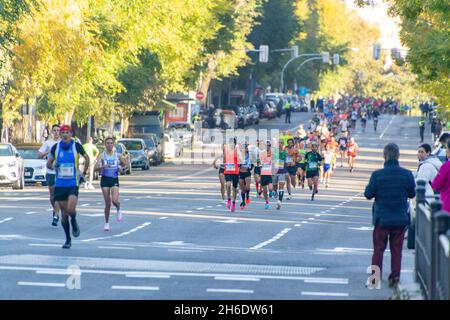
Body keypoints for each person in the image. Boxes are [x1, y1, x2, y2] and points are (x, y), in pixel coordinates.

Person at [364, 143, 416, 288]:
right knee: (397, 250)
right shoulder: (406, 174)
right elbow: (412, 193)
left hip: (382, 218)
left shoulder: (377, 175)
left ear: (384, 156)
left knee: (378, 249)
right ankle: (395, 277)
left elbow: (368, 194)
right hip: (399, 219)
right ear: (398, 156)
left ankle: (375, 278)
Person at [47, 124, 89, 249]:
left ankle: (74, 221)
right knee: (64, 216)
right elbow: (48, 164)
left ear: (71, 134)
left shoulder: (76, 146)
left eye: (67, 132)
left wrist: (83, 172)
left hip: (72, 183)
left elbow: (87, 158)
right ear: (60, 135)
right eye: (63, 133)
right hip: (60, 185)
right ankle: (68, 239)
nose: (65, 135)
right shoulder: (56, 147)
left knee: (70, 210)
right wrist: (54, 165)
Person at [95, 137, 127, 231]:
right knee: (108, 203)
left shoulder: (117, 155)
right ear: (105, 144)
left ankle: (118, 209)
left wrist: (121, 167)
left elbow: (125, 164)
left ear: (113, 144)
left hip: (114, 179)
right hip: (105, 180)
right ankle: (107, 223)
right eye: (107, 143)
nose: (109, 145)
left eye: (111, 143)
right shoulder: (101, 155)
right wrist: (102, 166)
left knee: (115, 200)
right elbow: (95, 168)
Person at [38, 124, 61, 226]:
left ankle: (56, 214)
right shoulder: (48, 143)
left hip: (61, 172)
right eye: (54, 130)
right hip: (50, 171)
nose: (56, 132)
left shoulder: (63, 143)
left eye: (58, 130)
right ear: (52, 132)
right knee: (52, 197)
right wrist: (48, 151)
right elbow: (39, 155)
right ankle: (55, 210)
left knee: (57, 194)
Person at [431, 140, 450, 212]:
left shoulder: (446, 166)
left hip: (447, 205)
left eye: (447, 148)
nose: (446, 151)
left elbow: (436, 185)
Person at [224, 138, 239, 212]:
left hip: (235, 172)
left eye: (233, 143)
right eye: (230, 143)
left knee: (235, 189)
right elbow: (224, 159)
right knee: (228, 185)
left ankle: (233, 203)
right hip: (227, 171)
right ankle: (229, 199)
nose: (231, 144)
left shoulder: (237, 151)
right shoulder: (226, 150)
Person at [260, 140, 275, 209]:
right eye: (266, 145)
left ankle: (271, 192)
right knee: (265, 190)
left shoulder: (273, 153)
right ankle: (266, 202)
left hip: (269, 174)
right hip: (263, 174)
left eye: (269, 145)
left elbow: (274, 162)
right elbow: (259, 162)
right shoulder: (262, 153)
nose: (268, 147)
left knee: (270, 188)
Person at [238, 143, 252, 210]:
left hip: (247, 173)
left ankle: (248, 196)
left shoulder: (250, 155)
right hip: (241, 173)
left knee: (247, 187)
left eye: (245, 148)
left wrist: (250, 168)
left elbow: (253, 163)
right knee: (242, 189)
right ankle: (243, 202)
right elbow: (237, 164)